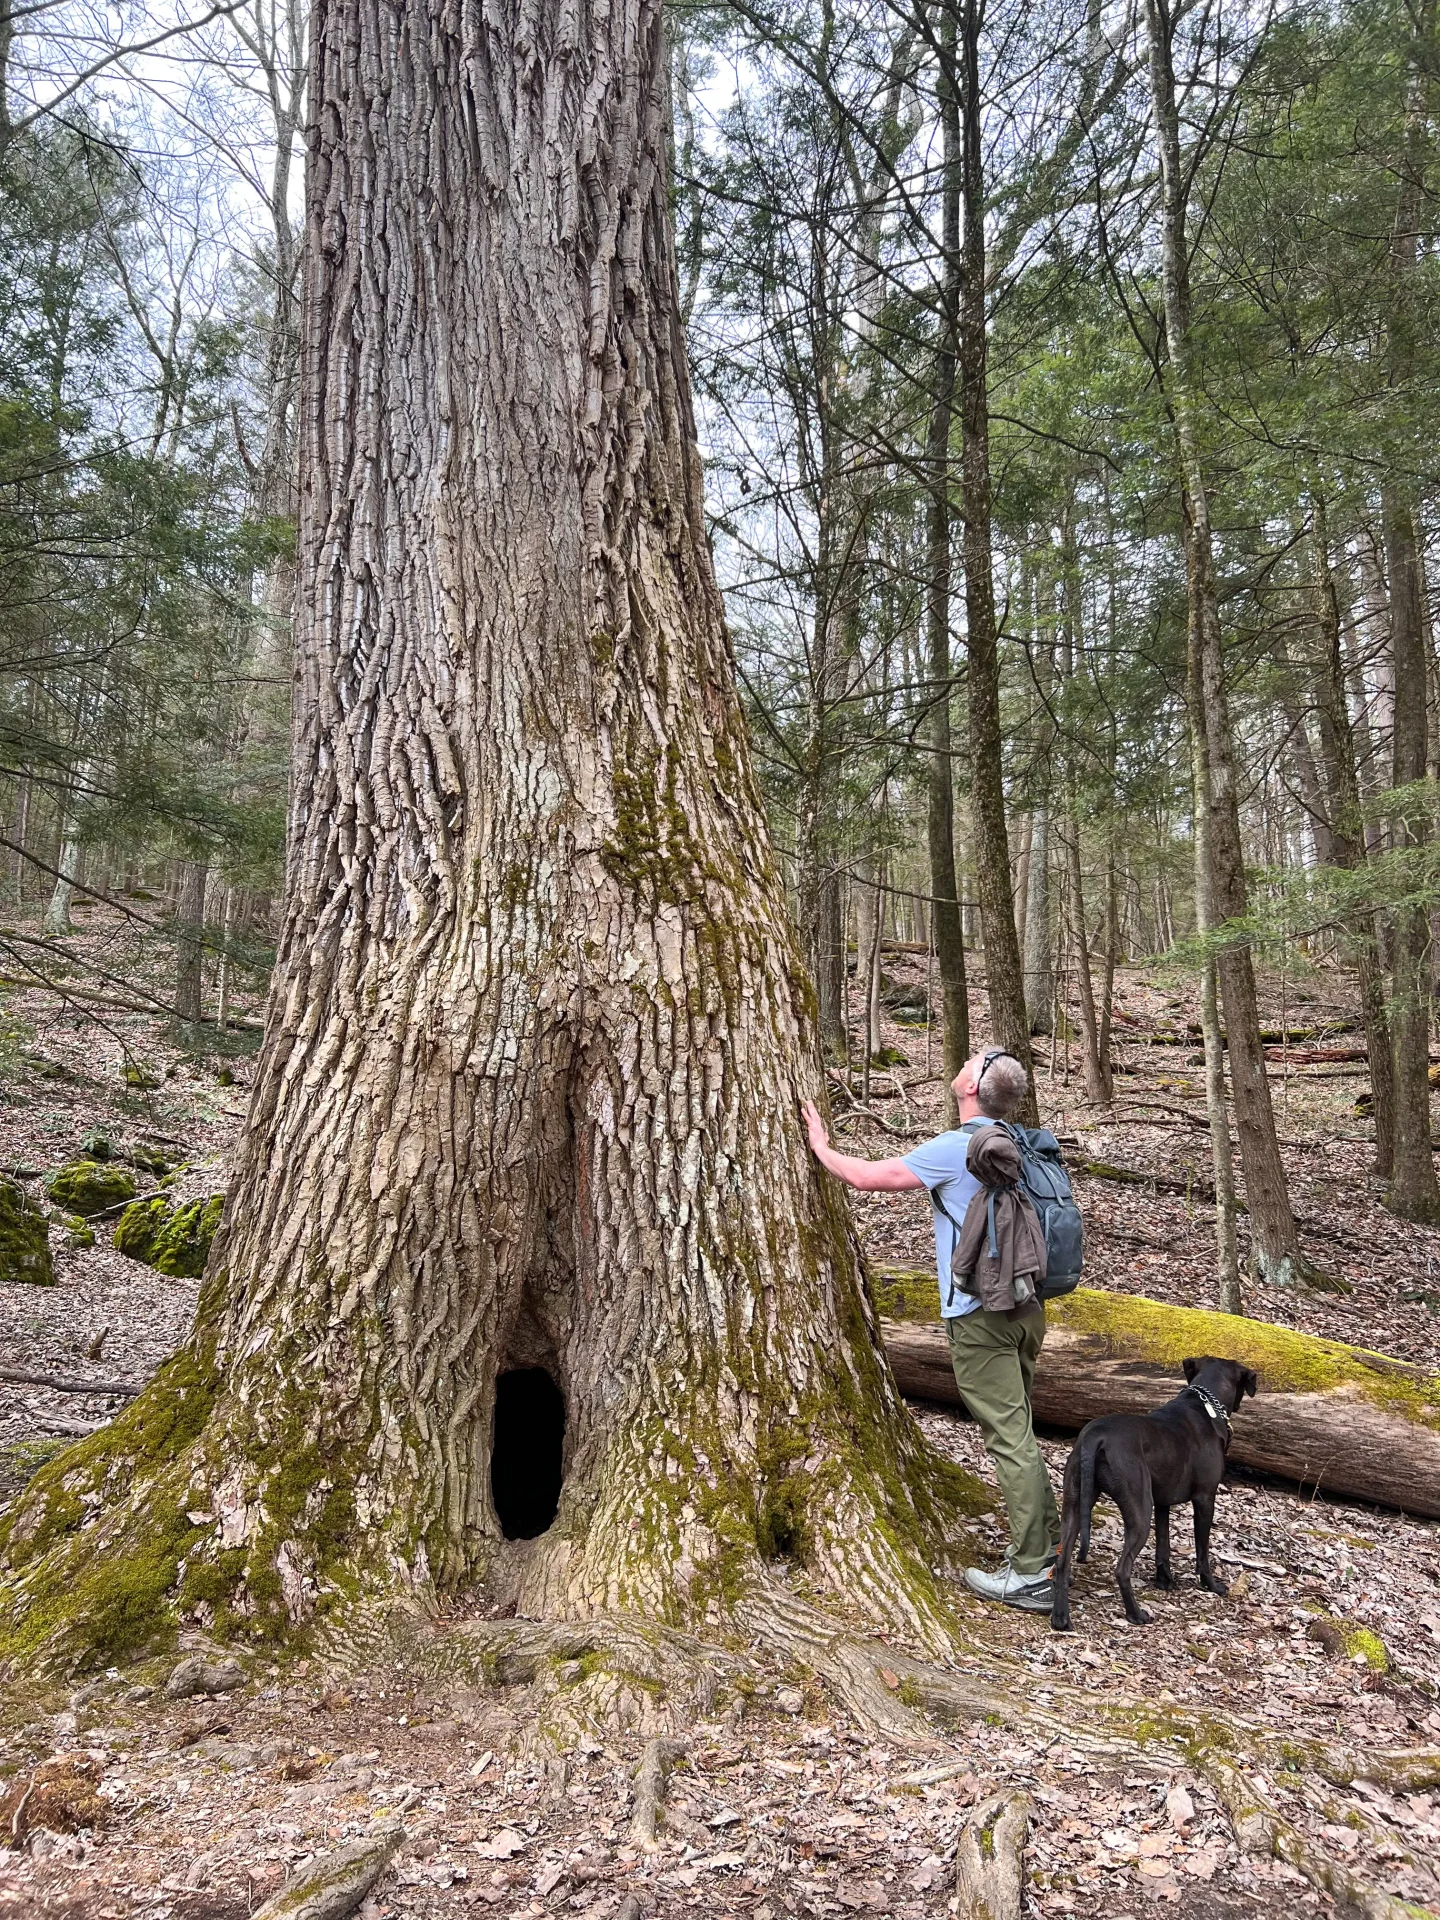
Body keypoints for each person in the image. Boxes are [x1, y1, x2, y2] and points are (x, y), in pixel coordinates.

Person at [801, 1048, 1061, 1612]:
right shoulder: (1022, 1146)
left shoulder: (956, 1148)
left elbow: (869, 1178)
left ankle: (1031, 1572)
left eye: (970, 1061)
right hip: (1026, 1308)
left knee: (1008, 1436)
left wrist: (821, 1145)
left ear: (971, 1085)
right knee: (1020, 1427)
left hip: (978, 1317)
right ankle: (1051, 1541)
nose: (962, 1063)